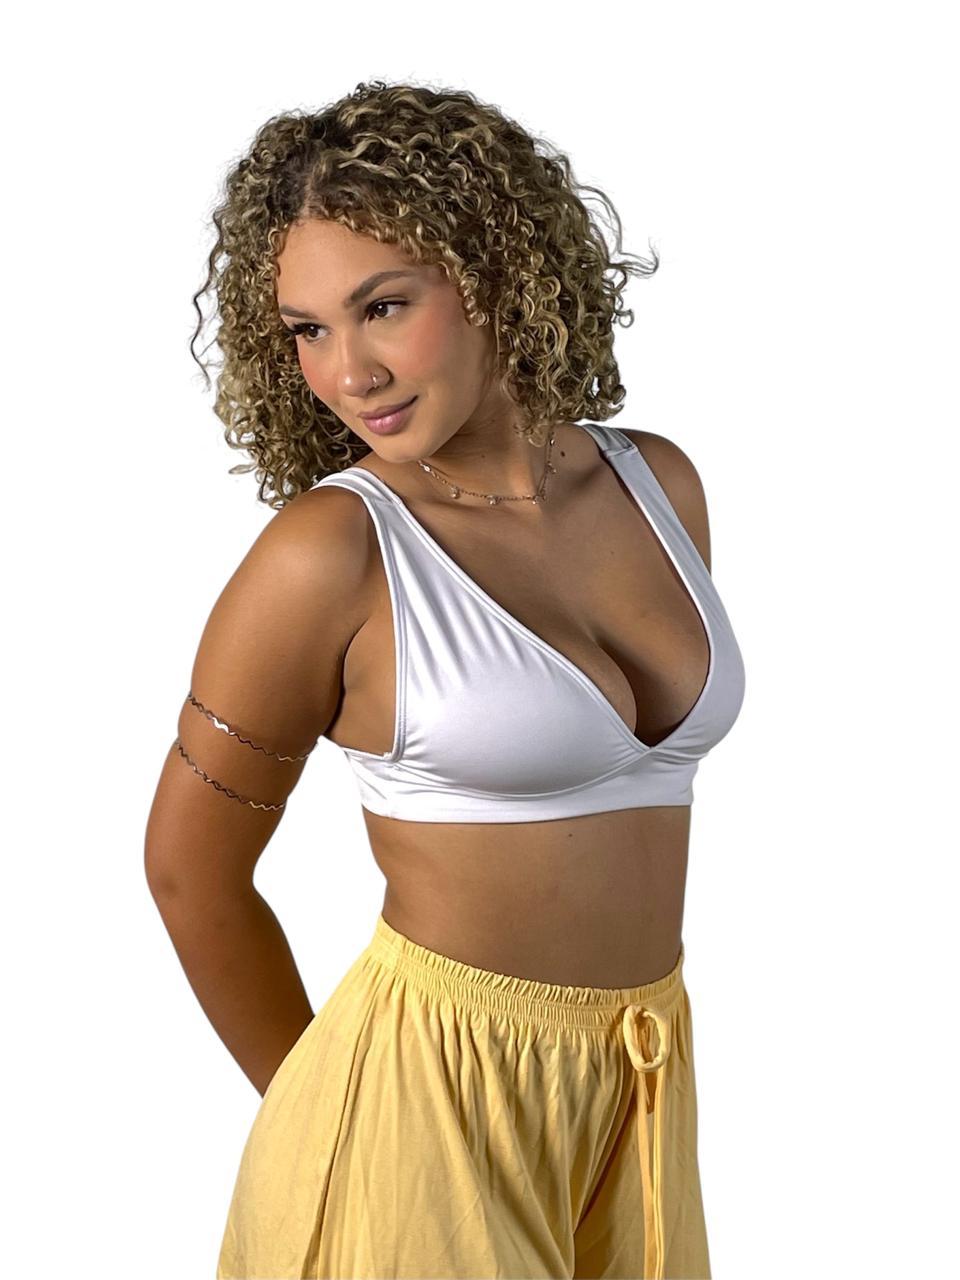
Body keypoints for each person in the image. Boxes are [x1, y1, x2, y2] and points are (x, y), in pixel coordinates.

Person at [144, 79, 746, 1280]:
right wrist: (330, 1117)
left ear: (493, 272)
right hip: (420, 1103)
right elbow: (186, 869)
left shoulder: (657, 485)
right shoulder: (331, 553)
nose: (349, 371)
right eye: (308, 329)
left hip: (637, 1088)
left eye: (383, 306)